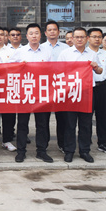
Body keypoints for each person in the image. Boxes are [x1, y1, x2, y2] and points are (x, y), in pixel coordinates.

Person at [9, 23, 54, 163]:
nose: (34, 36)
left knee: (42, 123)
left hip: (42, 92)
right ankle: (21, 151)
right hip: (25, 92)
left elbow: (54, 70)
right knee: (22, 123)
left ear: (40, 35)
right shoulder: (20, 52)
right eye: (31, 33)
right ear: (26, 36)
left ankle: (41, 151)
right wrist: (19, 67)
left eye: (36, 33)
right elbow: (9, 68)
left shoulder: (47, 51)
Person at [58, 27, 103, 163]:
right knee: (69, 123)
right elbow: (58, 72)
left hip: (87, 93)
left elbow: (100, 71)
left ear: (87, 38)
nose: (79, 39)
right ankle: (69, 151)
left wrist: (96, 67)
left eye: (82, 37)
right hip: (70, 92)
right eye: (76, 37)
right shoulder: (65, 54)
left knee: (86, 123)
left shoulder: (92, 54)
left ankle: (84, 151)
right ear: (72, 39)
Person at [87, 28, 106, 155]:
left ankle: (102, 143)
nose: (97, 39)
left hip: (102, 87)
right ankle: (86, 141)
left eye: (99, 37)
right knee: (87, 117)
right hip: (87, 88)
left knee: (102, 116)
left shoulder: (105, 54)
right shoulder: (85, 53)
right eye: (94, 36)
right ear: (88, 38)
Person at [0, 26, 18, 152]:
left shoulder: (13, 51)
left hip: (8, 87)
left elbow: (17, 68)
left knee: (9, 116)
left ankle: (7, 140)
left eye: (2, 34)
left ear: (6, 36)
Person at [43, 20, 68, 153]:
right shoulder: (40, 48)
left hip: (61, 86)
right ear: (45, 33)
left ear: (59, 32)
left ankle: (62, 143)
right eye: (49, 30)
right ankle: (44, 143)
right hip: (45, 87)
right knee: (43, 117)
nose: (52, 32)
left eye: (54, 30)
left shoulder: (66, 49)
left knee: (62, 116)